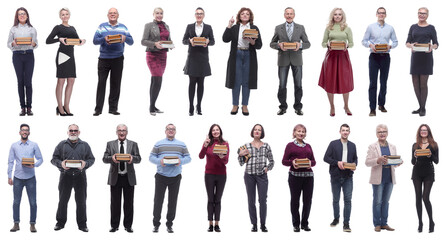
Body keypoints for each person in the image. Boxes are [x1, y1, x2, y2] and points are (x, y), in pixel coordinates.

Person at [51, 124, 95, 232]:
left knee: (81, 201)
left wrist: (86, 163)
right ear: (68, 132)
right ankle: (60, 223)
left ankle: (82, 224)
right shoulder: (62, 145)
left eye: (75, 130)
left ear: (79, 132)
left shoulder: (85, 145)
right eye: (71, 130)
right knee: (62, 201)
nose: (73, 132)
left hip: (80, 176)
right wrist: (61, 163)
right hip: (65, 176)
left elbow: (92, 159)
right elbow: (53, 159)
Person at [149, 124, 191, 233]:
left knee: (172, 202)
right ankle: (156, 224)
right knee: (158, 201)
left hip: (175, 177)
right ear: (165, 131)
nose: (171, 131)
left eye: (173, 129)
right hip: (161, 177)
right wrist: (160, 161)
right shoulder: (159, 144)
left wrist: (180, 161)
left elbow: (188, 158)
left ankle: (169, 224)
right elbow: (151, 157)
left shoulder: (181, 145)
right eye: (169, 129)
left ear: (175, 131)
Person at [93, 8, 134, 116]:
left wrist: (125, 38)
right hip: (103, 59)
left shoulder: (123, 27)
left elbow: (131, 42)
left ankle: (113, 108)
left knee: (116, 84)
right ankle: (98, 109)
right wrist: (103, 38)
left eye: (114, 13)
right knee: (101, 83)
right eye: (111, 13)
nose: (112, 15)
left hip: (118, 59)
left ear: (118, 15)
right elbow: (94, 41)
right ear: (107, 15)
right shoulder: (101, 26)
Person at [270, 7, 311, 116]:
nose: (289, 15)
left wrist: (300, 45)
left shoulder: (300, 28)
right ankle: (282, 107)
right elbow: (272, 43)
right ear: (284, 15)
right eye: (287, 13)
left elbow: (308, 43)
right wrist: (278, 45)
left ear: (294, 15)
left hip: (297, 60)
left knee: (298, 84)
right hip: (283, 59)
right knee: (282, 84)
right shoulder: (278, 28)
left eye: (291, 13)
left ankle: (298, 107)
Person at [46, 8, 86, 116]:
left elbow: (77, 41)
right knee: (61, 81)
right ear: (60, 16)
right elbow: (48, 40)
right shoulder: (58, 27)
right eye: (62, 14)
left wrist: (82, 41)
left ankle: (66, 106)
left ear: (69, 15)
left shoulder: (73, 28)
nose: (65, 16)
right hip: (62, 56)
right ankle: (59, 107)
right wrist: (59, 39)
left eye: (66, 14)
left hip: (71, 55)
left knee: (71, 81)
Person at [223, 7, 262, 116]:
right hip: (237, 55)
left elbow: (259, 45)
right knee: (236, 81)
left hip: (249, 55)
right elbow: (225, 39)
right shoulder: (235, 28)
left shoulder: (254, 28)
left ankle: (245, 105)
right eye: (243, 14)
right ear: (239, 16)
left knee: (246, 81)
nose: (245, 15)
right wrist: (229, 25)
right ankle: (235, 105)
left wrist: (252, 42)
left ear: (250, 17)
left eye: (247, 14)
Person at [103, 124, 141, 233]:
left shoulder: (133, 144)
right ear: (116, 132)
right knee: (115, 203)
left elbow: (139, 158)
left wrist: (132, 158)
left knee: (129, 203)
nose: (121, 132)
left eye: (124, 130)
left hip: (129, 177)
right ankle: (114, 226)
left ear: (127, 132)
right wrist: (112, 158)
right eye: (119, 130)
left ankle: (128, 226)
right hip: (116, 177)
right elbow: (104, 159)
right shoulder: (110, 144)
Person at [361, 7, 398, 116]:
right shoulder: (370, 27)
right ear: (376, 14)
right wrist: (370, 45)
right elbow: (364, 41)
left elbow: (395, 42)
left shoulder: (390, 28)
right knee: (373, 83)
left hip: (385, 57)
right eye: (379, 13)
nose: (381, 15)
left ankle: (381, 104)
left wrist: (390, 46)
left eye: (383, 13)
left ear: (385, 15)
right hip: (374, 57)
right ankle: (372, 108)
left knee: (383, 82)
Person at [365, 124, 402, 232]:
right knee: (377, 202)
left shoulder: (392, 147)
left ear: (387, 133)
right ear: (376, 134)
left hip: (389, 178)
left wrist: (398, 163)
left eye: (384, 131)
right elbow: (367, 162)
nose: (382, 134)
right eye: (380, 132)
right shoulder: (372, 146)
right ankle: (377, 224)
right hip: (378, 178)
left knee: (386, 201)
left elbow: (393, 163)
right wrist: (378, 159)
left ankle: (384, 223)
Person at [238, 124, 274, 232]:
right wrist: (240, 155)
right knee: (251, 200)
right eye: (255, 129)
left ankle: (263, 224)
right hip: (249, 176)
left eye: (259, 130)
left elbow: (272, 161)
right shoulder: (246, 146)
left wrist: (268, 168)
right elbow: (241, 163)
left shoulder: (266, 146)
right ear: (252, 132)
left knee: (263, 200)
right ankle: (254, 224)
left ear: (262, 133)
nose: (257, 131)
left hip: (262, 176)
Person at [318, 8, 354, 117]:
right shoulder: (329, 28)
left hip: (343, 57)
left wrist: (347, 45)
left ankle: (346, 106)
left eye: (339, 14)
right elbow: (323, 43)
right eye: (335, 14)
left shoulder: (347, 28)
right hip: (331, 58)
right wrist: (328, 44)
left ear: (342, 16)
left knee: (345, 82)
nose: (337, 16)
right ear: (332, 16)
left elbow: (352, 43)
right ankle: (332, 106)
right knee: (330, 81)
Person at [8, 124, 43, 232]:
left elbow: (40, 159)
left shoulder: (34, 145)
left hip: (30, 177)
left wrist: (35, 165)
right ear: (19, 132)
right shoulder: (14, 146)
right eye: (23, 130)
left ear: (29, 133)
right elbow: (10, 161)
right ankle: (16, 223)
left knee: (33, 202)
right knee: (16, 202)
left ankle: (32, 224)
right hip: (18, 177)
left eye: (26, 130)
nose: (24, 132)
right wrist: (9, 176)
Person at [323, 124, 357, 232]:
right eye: (343, 130)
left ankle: (346, 223)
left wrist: (354, 165)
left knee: (348, 200)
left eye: (347, 130)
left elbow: (355, 158)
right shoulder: (333, 144)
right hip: (336, 176)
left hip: (348, 177)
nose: (345, 132)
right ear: (340, 132)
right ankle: (336, 218)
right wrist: (337, 162)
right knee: (336, 200)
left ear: (349, 132)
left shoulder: (352, 145)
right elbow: (325, 158)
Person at [282, 124, 315, 232]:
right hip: (295, 177)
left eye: (303, 131)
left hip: (308, 177)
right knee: (295, 201)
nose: (301, 133)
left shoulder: (308, 146)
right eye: (299, 131)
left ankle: (304, 223)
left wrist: (311, 163)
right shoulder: (290, 146)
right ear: (294, 133)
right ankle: (296, 224)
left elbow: (314, 161)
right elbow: (284, 161)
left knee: (307, 201)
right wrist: (292, 162)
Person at [406, 7, 438, 116]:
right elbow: (407, 42)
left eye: (424, 13)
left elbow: (436, 43)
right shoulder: (413, 27)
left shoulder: (431, 28)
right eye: (420, 13)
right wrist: (411, 45)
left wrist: (431, 47)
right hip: (415, 58)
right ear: (417, 14)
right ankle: (420, 107)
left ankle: (423, 108)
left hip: (426, 58)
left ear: (427, 15)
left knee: (423, 84)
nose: (421, 15)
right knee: (415, 84)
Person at [182, 7, 215, 116]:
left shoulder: (209, 27)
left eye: (201, 13)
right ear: (195, 15)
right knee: (192, 83)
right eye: (197, 13)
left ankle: (199, 106)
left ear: (203, 15)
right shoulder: (190, 26)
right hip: (192, 57)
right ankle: (191, 106)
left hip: (203, 58)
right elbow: (183, 40)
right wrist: (189, 41)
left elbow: (213, 41)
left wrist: (208, 42)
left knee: (201, 83)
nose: (199, 15)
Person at [7, 7, 38, 116]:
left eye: (24, 13)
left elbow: (36, 44)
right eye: (19, 14)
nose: (22, 15)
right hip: (17, 56)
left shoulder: (32, 29)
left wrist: (34, 44)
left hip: (29, 55)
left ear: (27, 16)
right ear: (17, 16)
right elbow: (8, 43)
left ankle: (29, 107)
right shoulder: (13, 29)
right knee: (20, 81)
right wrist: (13, 44)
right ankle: (22, 108)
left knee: (28, 82)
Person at [198, 124, 229, 232]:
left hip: (221, 175)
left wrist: (222, 157)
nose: (215, 132)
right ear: (211, 132)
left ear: (220, 131)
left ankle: (217, 224)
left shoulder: (225, 144)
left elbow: (226, 161)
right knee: (211, 199)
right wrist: (205, 145)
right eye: (213, 130)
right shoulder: (208, 143)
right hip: (209, 174)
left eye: (217, 130)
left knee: (218, 199)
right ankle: (210, 224)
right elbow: (201, 156)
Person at [142, 7, 172, 116]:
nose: (159, 15)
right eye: (157, 13)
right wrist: (155, 44)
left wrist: (170, 45)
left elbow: (168, 39)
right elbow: (143, 41)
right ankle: (151, 107)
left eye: (161, 13)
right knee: (157, 79)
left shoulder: (166, 26)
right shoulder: (149, 25)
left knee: (155, 80)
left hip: (163, 55)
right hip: (153, 55)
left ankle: (153, 105)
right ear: (153, 14)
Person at [411, 124, 438, 233]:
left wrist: (430, 155)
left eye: (425, 130)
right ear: (419, 132)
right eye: (422, 130)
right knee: (418, 198)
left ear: (428, 132)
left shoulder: (434, 144)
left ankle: (431, 221)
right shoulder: (415, 144)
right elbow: (412, 162)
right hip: (417, 172)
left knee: (425, 197)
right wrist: (415, 156)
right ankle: (420, 222)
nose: (423, 132)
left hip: (428, 173)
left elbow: (437, 161)